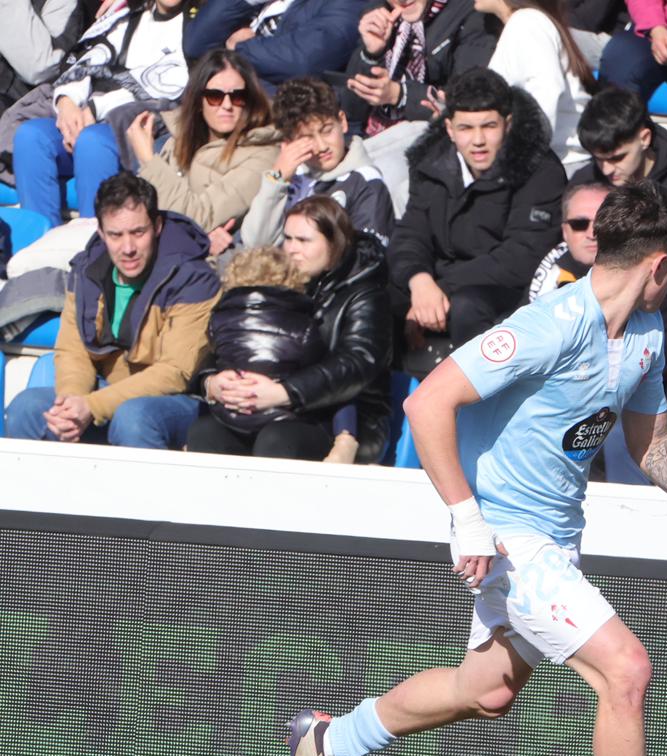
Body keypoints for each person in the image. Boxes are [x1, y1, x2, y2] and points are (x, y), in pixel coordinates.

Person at [280, 181, 667, 756]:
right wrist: (468, 521)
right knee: (626, 671)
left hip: (556, 539)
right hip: (505, 535)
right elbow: (426, 401)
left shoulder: (652, 333)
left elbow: (648, 436)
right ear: (661, 264)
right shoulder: (548, 326)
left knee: (487, 693)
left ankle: (328, 740)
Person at [4, 173, 218, 448]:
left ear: (157, 226)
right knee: (29, 407)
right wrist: (72, 402)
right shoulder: (87, 271)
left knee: (134, 417)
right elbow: (73, 350)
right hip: (107, 394)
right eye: (115, 235)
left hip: (176, 402)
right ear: (101, 233)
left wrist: (92, 406)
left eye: (138, 233)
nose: (128, 248)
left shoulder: (193, 277)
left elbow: (176, 372)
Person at [389, 68, 566, 376]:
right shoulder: (431, 164)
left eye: (489, 126)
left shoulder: (540, 169)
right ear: (449, 128)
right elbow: (411, 232)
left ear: (507, 124)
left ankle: (482, 406)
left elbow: (522, 256)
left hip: (506, 289)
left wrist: (437, 290)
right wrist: (419, 282)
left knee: (466, 307)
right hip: (440, 282)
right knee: (375, 301)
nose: (478, 140)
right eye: (466, 128)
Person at [190, 196, 393, 461]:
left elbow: (358, 364)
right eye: (288, 238)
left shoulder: (366, 293)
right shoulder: (283, 281)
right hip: (268, 409)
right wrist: (211, 382)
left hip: (345, 413)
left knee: (278, 441)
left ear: (335, 245)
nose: (292, 250)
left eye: (304, 241)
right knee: (205, 434)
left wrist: (285, 393)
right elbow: (224, 341)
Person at [10, 0, 189, 225]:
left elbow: (166, 85)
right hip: (89, 118)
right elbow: (88, 59)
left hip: (137, 127)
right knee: (31, 137)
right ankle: (38, 246)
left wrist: (95, 109)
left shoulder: (196, 28)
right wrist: (67, 102)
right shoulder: (127, 14)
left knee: (92, 142)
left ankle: (91, 249)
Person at [126, 48, 279, 256]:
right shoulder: (180, 139)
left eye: (238, 97)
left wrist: (148, 159)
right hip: (165, 249)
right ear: (199, 101)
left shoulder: (263, 153)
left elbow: (199, 217)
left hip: (207, 266)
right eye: (215, 96)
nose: (226, 105)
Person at [239, 76, 396, 249]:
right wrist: (276, 181)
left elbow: (368, 258)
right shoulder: (288, 178)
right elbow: (255, 243)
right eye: (307, 138)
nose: (321, 147)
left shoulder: (366, 183)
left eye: (327, 131)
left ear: (342, 122)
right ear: (289, 141)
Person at [339, 0, 498, 138]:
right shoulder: (381, 13)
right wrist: (371, 55)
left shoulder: (472, 12)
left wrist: (400, 95)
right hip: (372, 137)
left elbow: (469, 99)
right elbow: (350, 111)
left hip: (436, 142)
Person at [481, 0, 600, 175]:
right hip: (551, 161)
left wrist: (522, 160)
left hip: (557, 165)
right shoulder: (525, 23)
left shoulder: (527, 22)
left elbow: (547, 91)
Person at [181, 0, 366, 86]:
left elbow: (302, 61)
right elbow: (196, 43)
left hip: (281, 120)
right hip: (224, 106)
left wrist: (238, 48)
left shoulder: (345, 4)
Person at [571, 85, 667, 203]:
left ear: (644, 139)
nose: (606, 170)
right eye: (598, 158)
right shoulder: (583, 185)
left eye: (617, 158)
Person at [530, 181, 610, 297]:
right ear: (565, 232)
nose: (592, 234)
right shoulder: (549, 280)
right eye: (579, 224)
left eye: (603, 223)